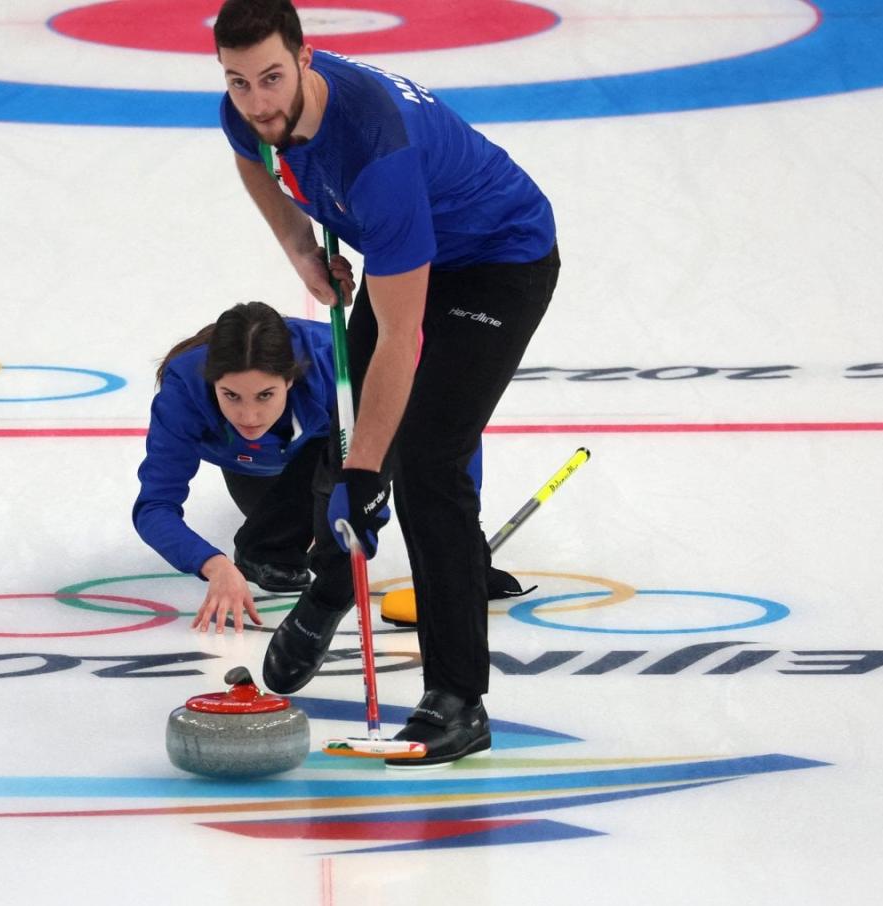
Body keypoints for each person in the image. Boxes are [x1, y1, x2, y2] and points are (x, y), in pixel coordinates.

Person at [213, 0, 559, 766]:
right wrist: (303, 250)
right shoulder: (247, 111)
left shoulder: (375, 147)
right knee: (352, 431)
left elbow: (403, 336)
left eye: (272, 77)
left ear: (307, 59)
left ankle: (458, 699)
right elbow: (250, 153)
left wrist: (370, 471)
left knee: (426, 459)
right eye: (239, 82)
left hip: (498, 261)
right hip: (409, 256)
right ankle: (334, 589)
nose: (258, 100)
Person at [134, 301, 528, 636]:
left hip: (328, 445)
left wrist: (463, 533)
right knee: (269, 552)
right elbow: (154, 507)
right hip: (251, 467)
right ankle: (277, 538)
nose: (249, 414)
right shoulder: (183, 391)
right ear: (212, 382)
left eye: (265, 395)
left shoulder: (333, 365)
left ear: (290, 378)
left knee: (359, 479)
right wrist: (214, 566)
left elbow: (447, 429)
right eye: (231, 396)